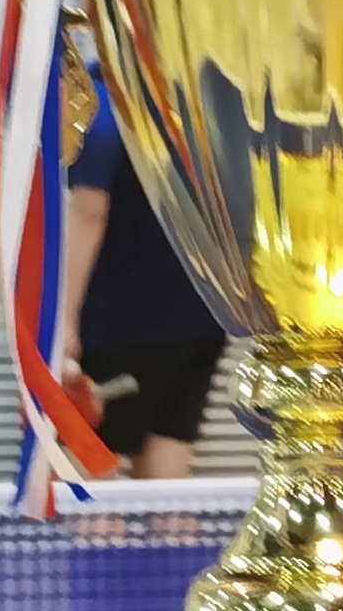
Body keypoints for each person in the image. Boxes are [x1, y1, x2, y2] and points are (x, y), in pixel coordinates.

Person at [59, 85, 226, 477]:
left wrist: (63, 323)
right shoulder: (201, 107)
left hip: (122, 326)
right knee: (167, 465)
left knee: (87, 483)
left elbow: (89, 215)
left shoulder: (100, 114)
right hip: (202, 320)